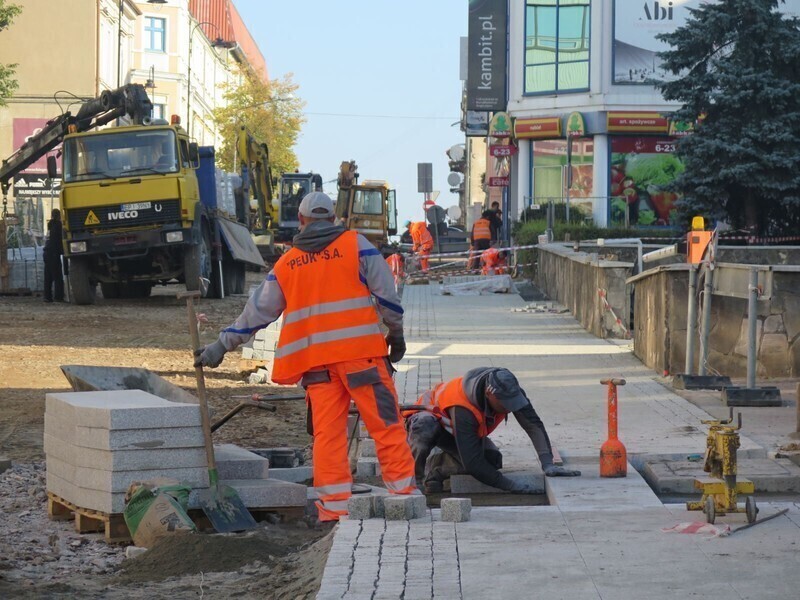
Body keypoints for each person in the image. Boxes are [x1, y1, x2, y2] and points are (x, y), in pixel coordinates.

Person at [195, 192, 419, 521]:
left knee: (328, 436)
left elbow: (258, 312)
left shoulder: (288, 263)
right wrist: (395, 334)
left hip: (316, 366)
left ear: (301, 221)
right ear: (333, 219)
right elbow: (388, 296)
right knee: (385, 425)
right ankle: (402, 495)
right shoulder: (357, 245)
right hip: (362, 359)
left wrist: (221, 345)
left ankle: (334, 509)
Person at [404, 367, 580, 493]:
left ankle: (436, 470)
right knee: (426, 428)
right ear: (489, 394)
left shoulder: (509, 391)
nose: (510, 408)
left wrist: (547, 464)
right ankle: (413, 481)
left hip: (455, 430)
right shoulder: (463, 405)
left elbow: (533, 424)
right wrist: (510, 485)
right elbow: (472, 463)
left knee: (491, 460)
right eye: (505, 404)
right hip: (431, 420)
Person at [43, 208, 64, 303]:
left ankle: (47, 297)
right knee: (58, 276)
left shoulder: (50, 224)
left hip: (47, 252)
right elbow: (58, 239)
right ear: (59, 216)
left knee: (48, 276)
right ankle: (59, 297)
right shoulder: (58, 225)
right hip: (54, 252)